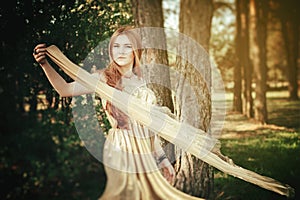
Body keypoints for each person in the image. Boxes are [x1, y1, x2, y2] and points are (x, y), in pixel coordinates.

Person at [33, 26, 204, 200]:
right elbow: (65, 89)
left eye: (127, 46)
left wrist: (162, 158)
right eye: (116, 46)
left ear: (136, 50)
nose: (121, 51)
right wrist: (45, 64)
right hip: (122, 146)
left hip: (144, 148)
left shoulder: (141, 81)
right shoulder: (103, 78)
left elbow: (148, 126)